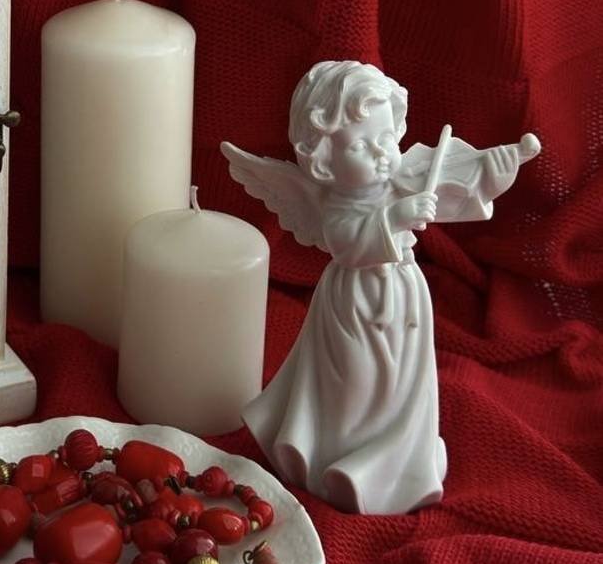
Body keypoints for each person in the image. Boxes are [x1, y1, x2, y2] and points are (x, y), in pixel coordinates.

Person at [222, 60, 540, 514]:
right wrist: (395, 217)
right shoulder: (335, 204)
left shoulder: (402, 178)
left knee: (402, 383)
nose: (382, 153)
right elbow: (347, 242)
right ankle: (341, 456)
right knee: (355, 383)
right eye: (360, 145)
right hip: (353, 304)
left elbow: (457, 193)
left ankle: (397, 462)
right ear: (323, 159)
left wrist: (496, 173)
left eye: (387, 137)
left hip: (404, 294)